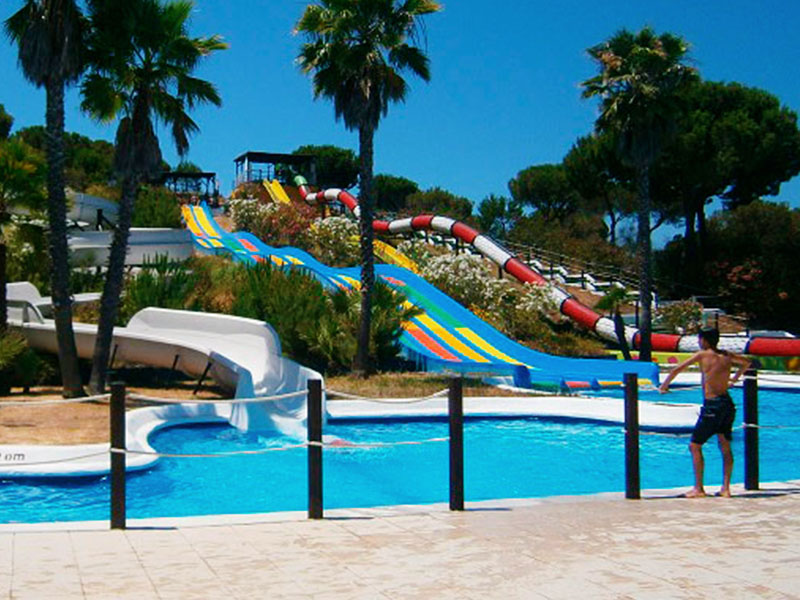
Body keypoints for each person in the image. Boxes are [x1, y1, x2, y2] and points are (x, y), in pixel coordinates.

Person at [659, 327, 752, 498]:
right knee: (725, 445)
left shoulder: (702, 355)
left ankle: (699, 488)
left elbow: (676, 369)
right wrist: (733, 379)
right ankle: (726, 488)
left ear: (704, 340)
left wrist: (664, 386)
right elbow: (747, 363)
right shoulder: (727, 355)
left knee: (695, 445)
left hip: (712, 405)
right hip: (727, 404)